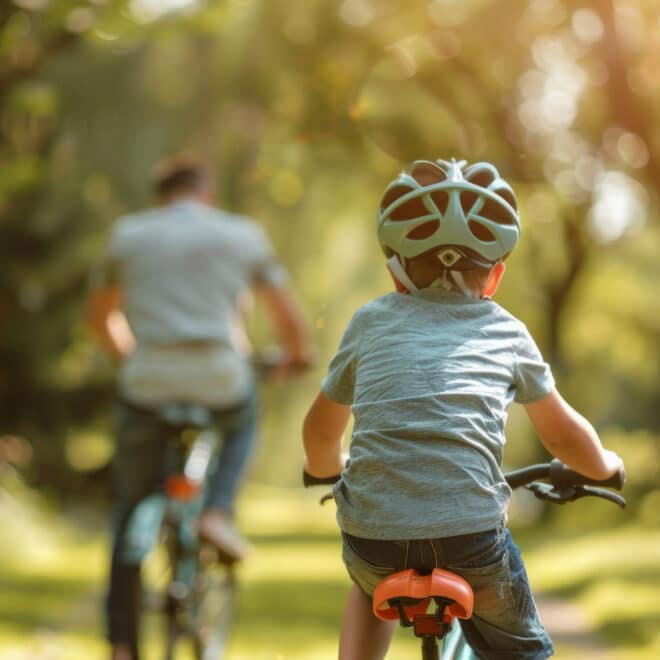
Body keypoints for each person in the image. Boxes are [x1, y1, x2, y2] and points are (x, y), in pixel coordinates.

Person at [302, 158, 624, 660]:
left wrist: (328, 471)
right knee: (524, 651)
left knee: (369, 584)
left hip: (373, 541)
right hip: (472, 541)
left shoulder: (369, 323)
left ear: (395, 274)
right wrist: (605, 466)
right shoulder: (507, 331)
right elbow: (562, 437)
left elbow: (319, 431)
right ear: (494, 277)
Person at [87, 154, 311, 660]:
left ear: (160, 196)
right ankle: (217, 510)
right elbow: (290, 325)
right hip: (218, 378)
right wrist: (295, 358)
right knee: (243, 413)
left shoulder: (129, 235)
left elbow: (100, 318)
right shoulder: (242, 235)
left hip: (147, 383)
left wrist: (135, 359)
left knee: (129, 512)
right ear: (206, 194)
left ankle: (122, 646)